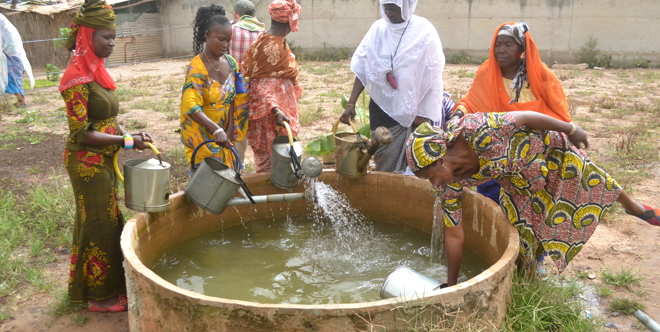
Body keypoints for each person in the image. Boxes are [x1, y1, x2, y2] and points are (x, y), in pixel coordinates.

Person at [406, 112, 659, 286]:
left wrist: (571, 129)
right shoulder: (447, 186)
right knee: (522, 244)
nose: (434, 184)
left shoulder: (477, 129)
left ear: (440, 159)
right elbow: (454, 234)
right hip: (519, 184)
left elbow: (525, 116)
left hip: (546, 151)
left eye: (431, 177)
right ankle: (530, 289)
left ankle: (632, 205)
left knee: (589, 178)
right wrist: (452, 283)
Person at [59, 0, 153, 312]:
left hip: (102, 160)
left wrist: (129, 134)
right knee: (100, 223)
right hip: (86, 163)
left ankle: (94, 288)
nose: (112, 43)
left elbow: (107, 119)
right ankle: (103, 298)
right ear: (87, 36)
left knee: (103, 220)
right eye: (106, 38)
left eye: (114, 37)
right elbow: (80, 133)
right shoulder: (75, 78)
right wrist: (126, 142)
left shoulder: (97, 71)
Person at [452, 22, 571, 203]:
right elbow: (471, 102)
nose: (501, 50)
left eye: (508, 45)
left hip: (531, 152)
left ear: (521, 47)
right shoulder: (487, 72)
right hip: (494, 150)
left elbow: (558, 112)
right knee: (491, 203)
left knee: (528, 201)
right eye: (498, 45)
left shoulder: (540, 75)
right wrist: (457, 115)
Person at [339, 0, 444, 173]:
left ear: (407, 7)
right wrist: (351, 104)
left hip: (414, 112)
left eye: (394, 10)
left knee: (417, 164)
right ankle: (386, 191)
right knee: (384, 156)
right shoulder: (378, 30)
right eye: (386, 9)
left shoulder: (423, 30)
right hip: (382, 107)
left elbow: (432, 75)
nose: (389, 14)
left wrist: (421, 113)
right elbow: (362, 68)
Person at [180, 4, 249, 172]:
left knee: (228, 182)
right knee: (207, 186)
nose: (225, 45)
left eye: (228, 40)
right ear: (207, 35)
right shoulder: (197, 68)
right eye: (221, 39)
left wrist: (230, 129)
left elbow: (233, 98)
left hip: (225, 136)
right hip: (203, 139)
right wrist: (216, 130)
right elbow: (190, 106)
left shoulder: (231, 64)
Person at [242, 0, 302, 173]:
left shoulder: (268, 40)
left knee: (277, 163)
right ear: (290, 20)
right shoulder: (271, 47)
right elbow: (261, 87)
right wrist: (276, 110)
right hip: (273, 117)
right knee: (274, 164)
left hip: (276, 113)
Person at [229, 0, 265, 161]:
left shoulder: (230, 30)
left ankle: (238, 162)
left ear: (236, 14)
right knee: (258, 125)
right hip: (258, 86)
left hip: (235, 85)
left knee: (237, 122)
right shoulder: (264, 33)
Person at [0, 13, 34, 108]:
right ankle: (20, 100)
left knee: (11, 79)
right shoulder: (6, 29)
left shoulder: (7, 30)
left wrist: (4, 53)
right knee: (13, 79)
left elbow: (11, 47)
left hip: (11, 57)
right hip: (12, 56)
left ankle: (21, 100)